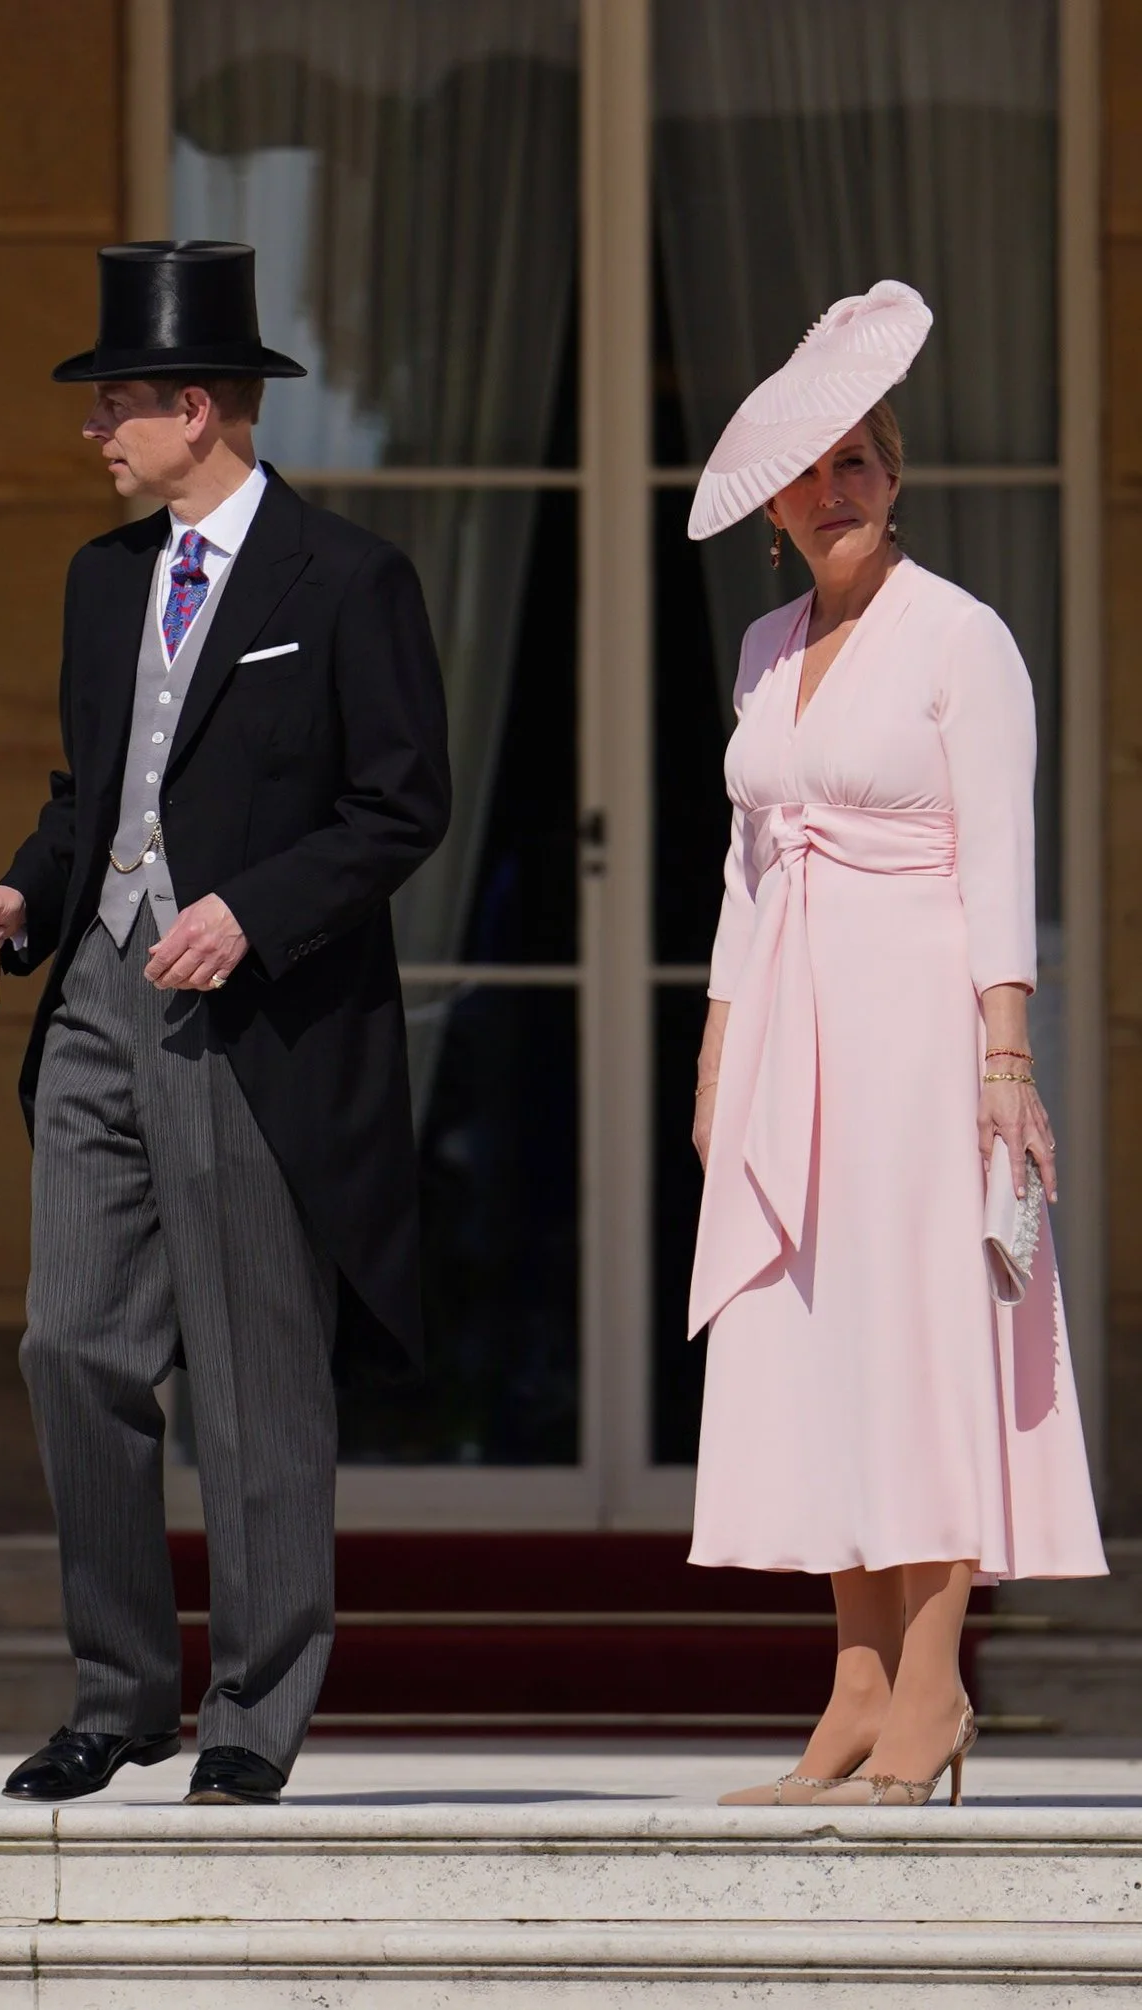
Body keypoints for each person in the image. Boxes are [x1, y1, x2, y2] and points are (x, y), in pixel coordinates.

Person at [0, 241, 450, 1806]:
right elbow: (89, 795)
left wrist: (256, 910)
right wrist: (26, 892)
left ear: (199, 410)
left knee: (251, 1371)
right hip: (100, 1000)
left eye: (117, 403)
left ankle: (256, 1705)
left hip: (256, 1020)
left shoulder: (347, 577)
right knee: (68, 1340)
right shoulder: (104, 580)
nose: (94, 428)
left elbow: (402, 805)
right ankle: (120, 1693)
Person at [685, 281, 1105, 1809]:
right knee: (819, 1343)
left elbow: (1001, 857)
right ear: (773, 507)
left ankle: (934, 1684)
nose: (834, 489)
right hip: (789, 1033)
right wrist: (717, 1054)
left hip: (923, 1031)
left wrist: (1007, 1057)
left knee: (923, 1344)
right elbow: (747, 867)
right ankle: (856, 1685)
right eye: (808, 472)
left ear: (895, 472)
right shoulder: (763, 644)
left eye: (857, 460)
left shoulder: (962, 637)